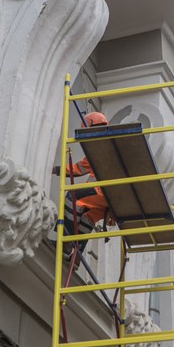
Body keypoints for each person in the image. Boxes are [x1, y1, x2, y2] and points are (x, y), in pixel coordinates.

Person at [52, 112, 111, 264]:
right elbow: (79, 168)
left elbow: (78, 169)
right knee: (87, 218)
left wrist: (53, 169)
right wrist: (58, 170)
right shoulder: (106, 144)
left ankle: (67, 242)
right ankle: (76, 256)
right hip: (109, 200)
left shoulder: (99, 146)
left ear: (90, 127)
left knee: (72, 196)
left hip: (101, 191)